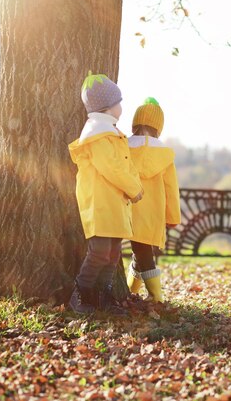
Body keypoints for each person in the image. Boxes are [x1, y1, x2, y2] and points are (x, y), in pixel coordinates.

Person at [67, 72, 143, 314]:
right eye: (118, 102)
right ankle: (81, 293)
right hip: (99, 202)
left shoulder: (110, 132)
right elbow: (110, 167)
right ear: (108, 107)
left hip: (113, 202)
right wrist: (133, 189)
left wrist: (134, 186)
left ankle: (104, 296)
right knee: (99, 251)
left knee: (112, 253)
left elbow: (124, 165)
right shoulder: (97, 134)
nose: (122, 106)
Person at [126, 97, 181, 303]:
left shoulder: (124, 147)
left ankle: (133, 292)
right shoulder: (164, 154)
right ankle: (155, 296)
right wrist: (172, 216)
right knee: (143, 250)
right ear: (159, 127)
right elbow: (170, 188)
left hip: (127, 206)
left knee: (140, 251)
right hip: (152, 211)